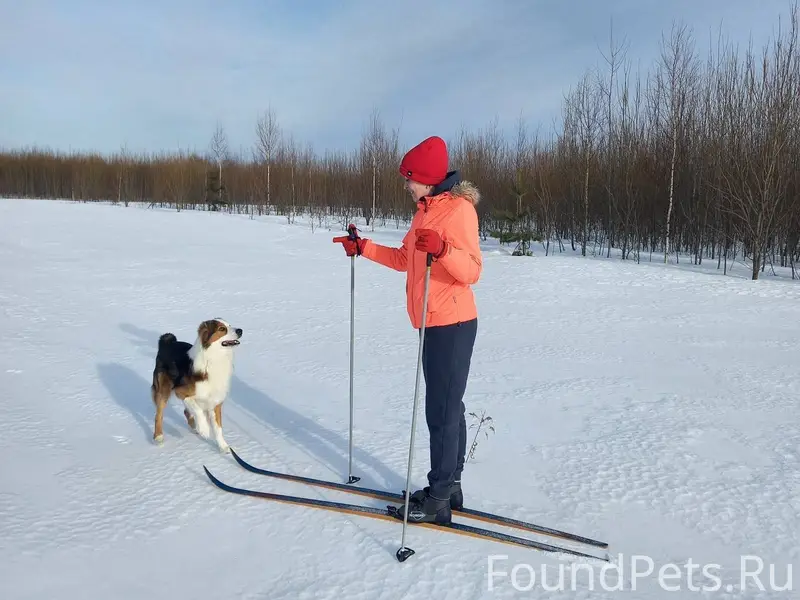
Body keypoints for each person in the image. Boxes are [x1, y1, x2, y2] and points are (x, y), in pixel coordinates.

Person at [333, 135, 482, 524]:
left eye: (410, 178)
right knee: (449, 406)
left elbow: (473, 270)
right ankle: (450, 486)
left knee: (442, 411)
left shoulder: (459, 211)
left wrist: (444, 251)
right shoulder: (424, 211)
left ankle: (438, 496)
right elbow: (404, 258)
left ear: (429, 178)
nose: (406, 184)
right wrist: (363, 247)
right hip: (433, 322)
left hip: (453, 322)